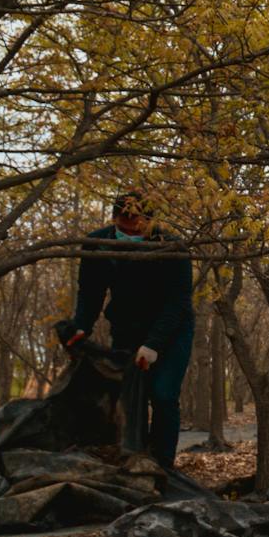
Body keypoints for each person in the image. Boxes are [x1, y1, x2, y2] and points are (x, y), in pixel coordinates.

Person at [67, 192, 195, 467]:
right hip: (126, 327)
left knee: (163, 394)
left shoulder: (172, 246)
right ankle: (134, 459)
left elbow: (179, 302)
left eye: (136, 230)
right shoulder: (97, 244)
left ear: (150, 223)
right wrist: (81, 326)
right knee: (131, 398)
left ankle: (162, 465)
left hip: (171, 330)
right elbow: (90, 292)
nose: (129, 234)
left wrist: (153, 345)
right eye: (122, 229)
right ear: (113, 219)